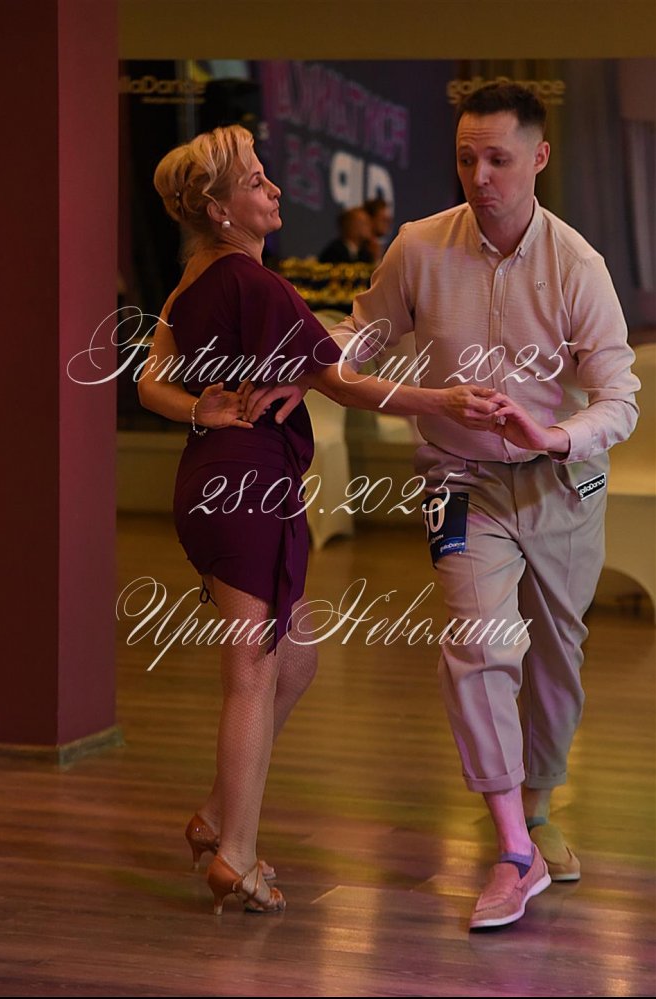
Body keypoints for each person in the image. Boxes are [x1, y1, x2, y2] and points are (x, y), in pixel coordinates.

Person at [248, 82, 640, 930]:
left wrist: (552, 433)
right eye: (467, 158)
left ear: (538, 158)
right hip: (460, 480)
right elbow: (361, 334)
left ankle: (539, 803)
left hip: (563, 481)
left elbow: (621, 399)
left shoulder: (578, 265)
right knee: (476, 643)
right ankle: (514, 849)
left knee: (557, 660)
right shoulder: (420, 246)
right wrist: (308, 368)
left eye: (498, 158)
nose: (480, 175)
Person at [139, 124, 495, 916]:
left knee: (294, 662)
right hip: (244, 489)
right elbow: (345, 384)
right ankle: (234, 853)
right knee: (254, 669)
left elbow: (148, 382)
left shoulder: (193, 279)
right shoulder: (253, 282)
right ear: (220, 210)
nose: (273, 189)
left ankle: (214, 815)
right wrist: (444, 400)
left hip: (218, 483)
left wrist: (196, 407)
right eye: (255, 180)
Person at [363, 196, 394, 261]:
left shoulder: (379, 247)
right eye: (383, 220)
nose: (388, 224)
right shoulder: (361, 250)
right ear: (369, 219)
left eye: (388, 220)